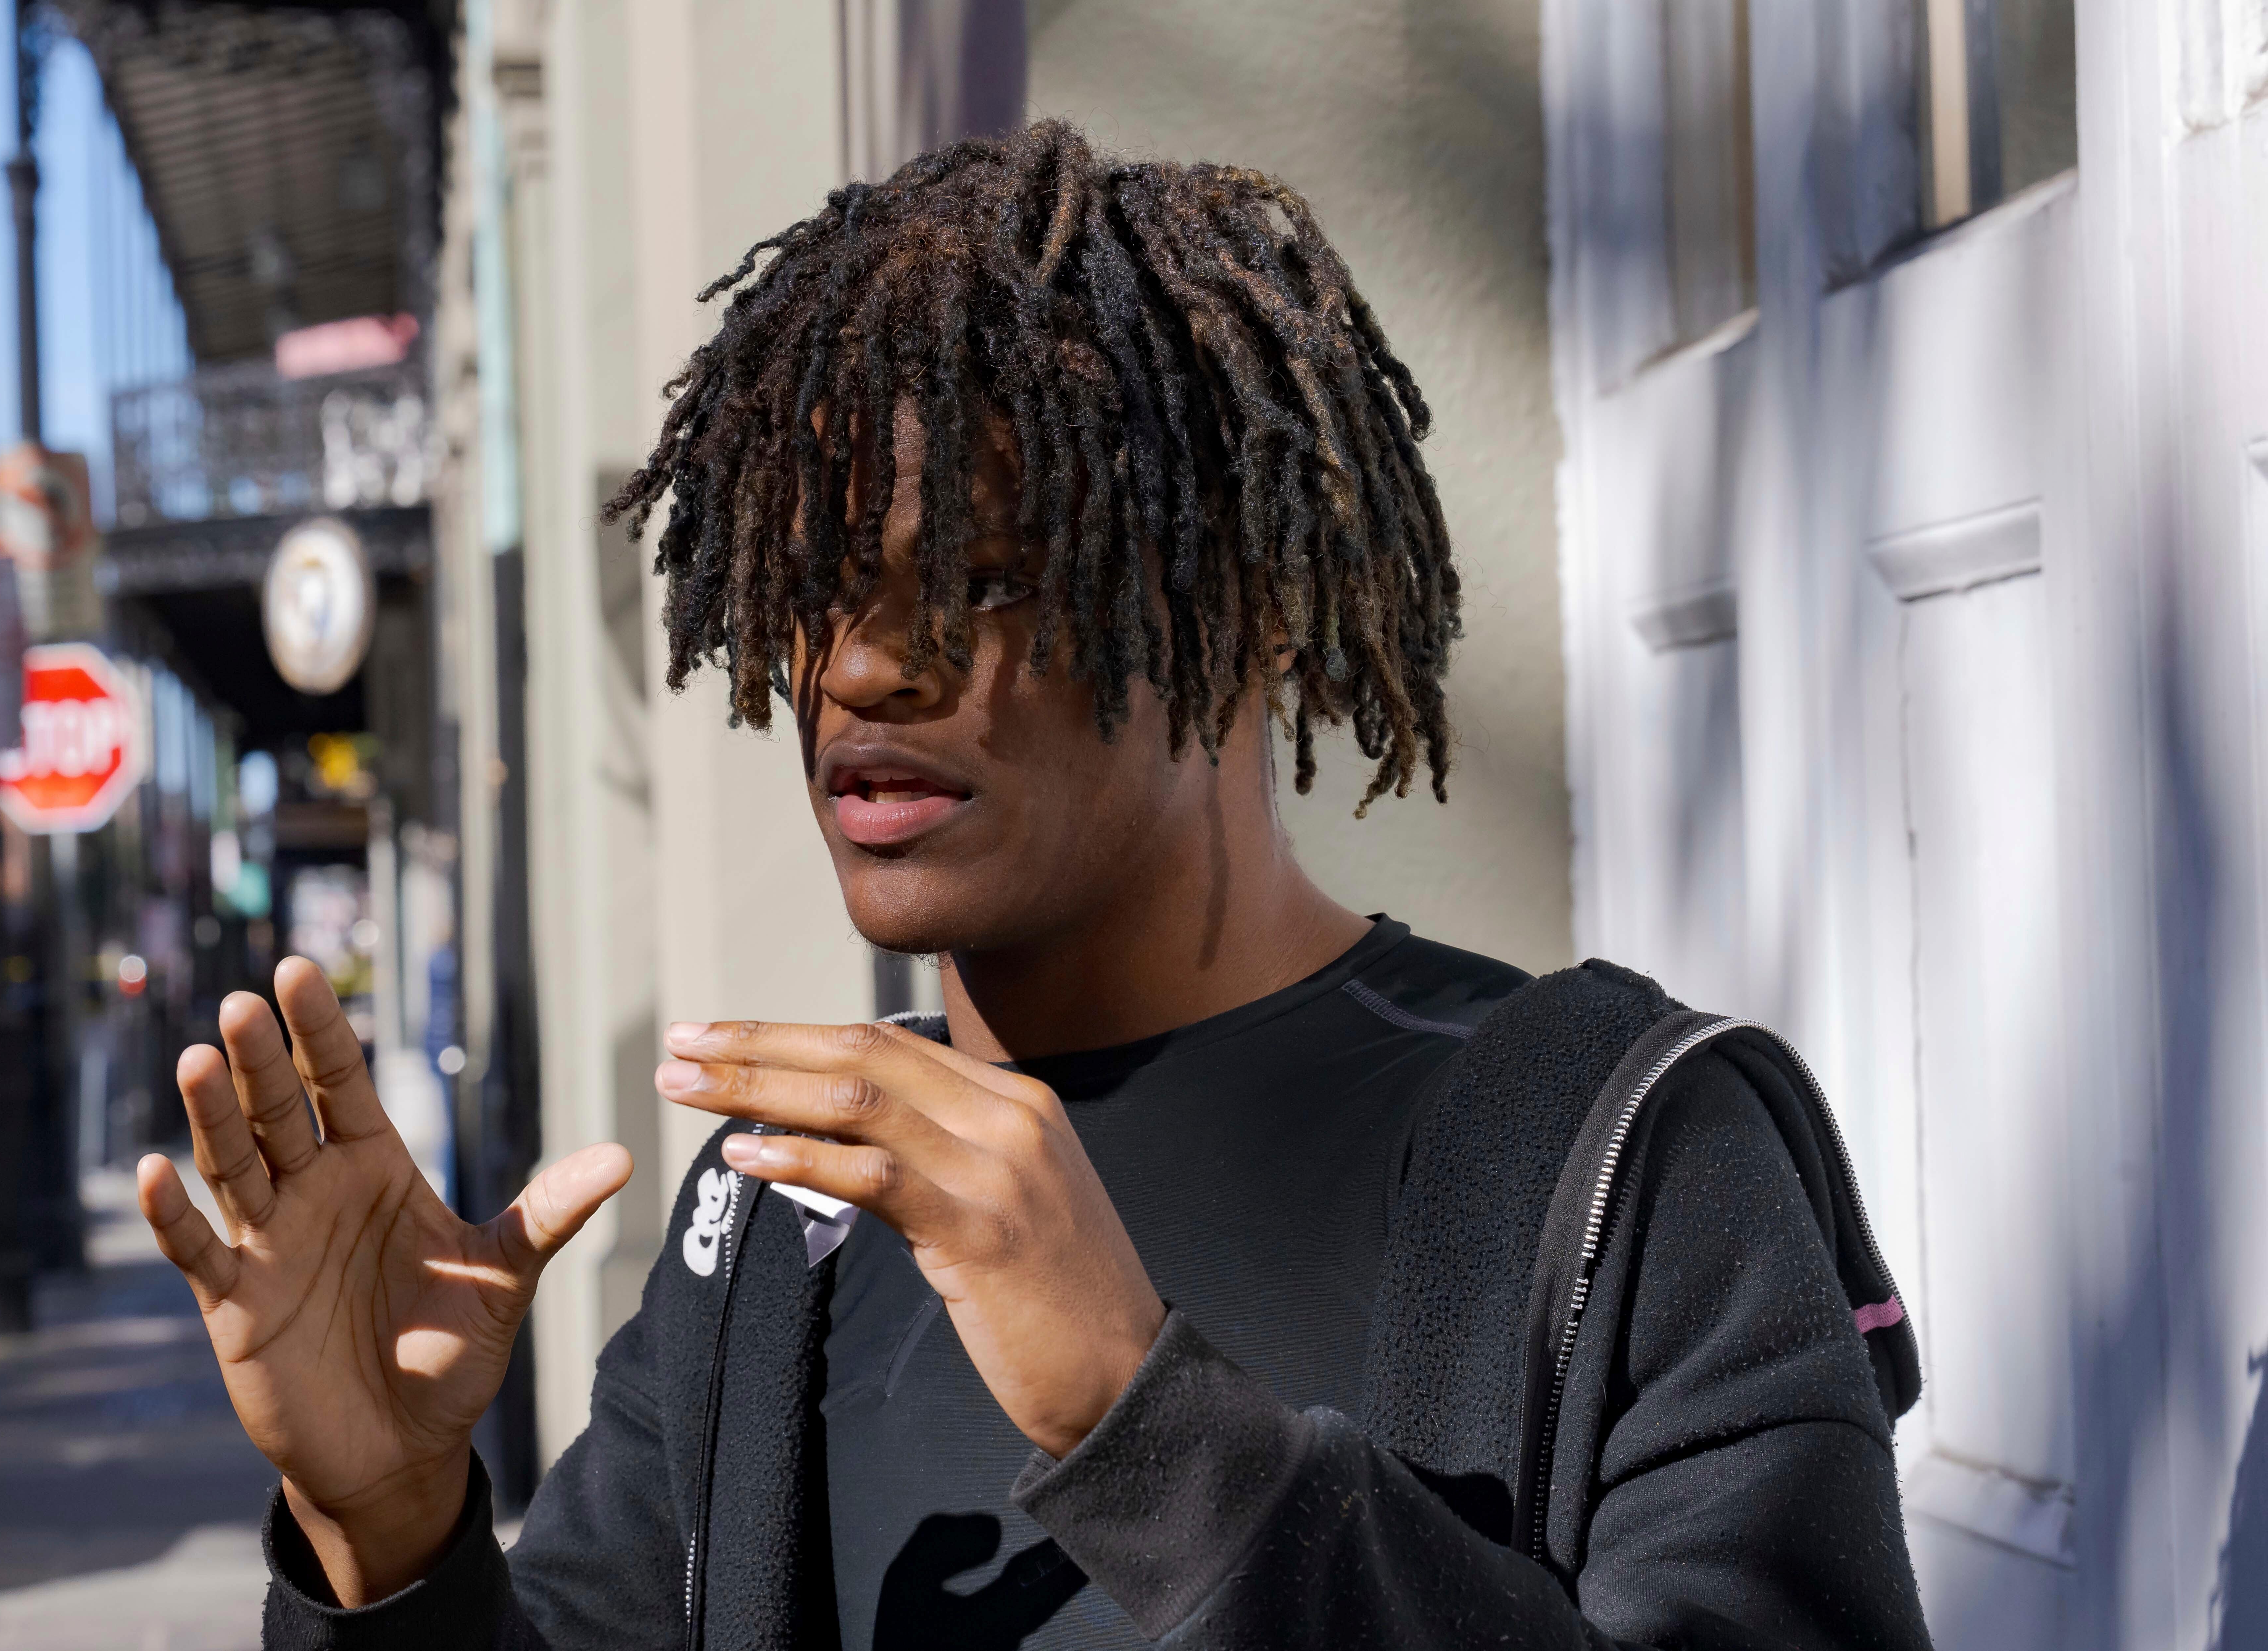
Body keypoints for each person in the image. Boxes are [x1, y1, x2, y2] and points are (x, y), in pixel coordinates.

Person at [139, 120, 1930, 1649]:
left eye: (980, 579)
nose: (858, 672)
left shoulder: (1616, 1151)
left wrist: (1148, 1433)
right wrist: (389, 1534)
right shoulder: (785, 1214)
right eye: (810, 590)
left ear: (1245, 619)